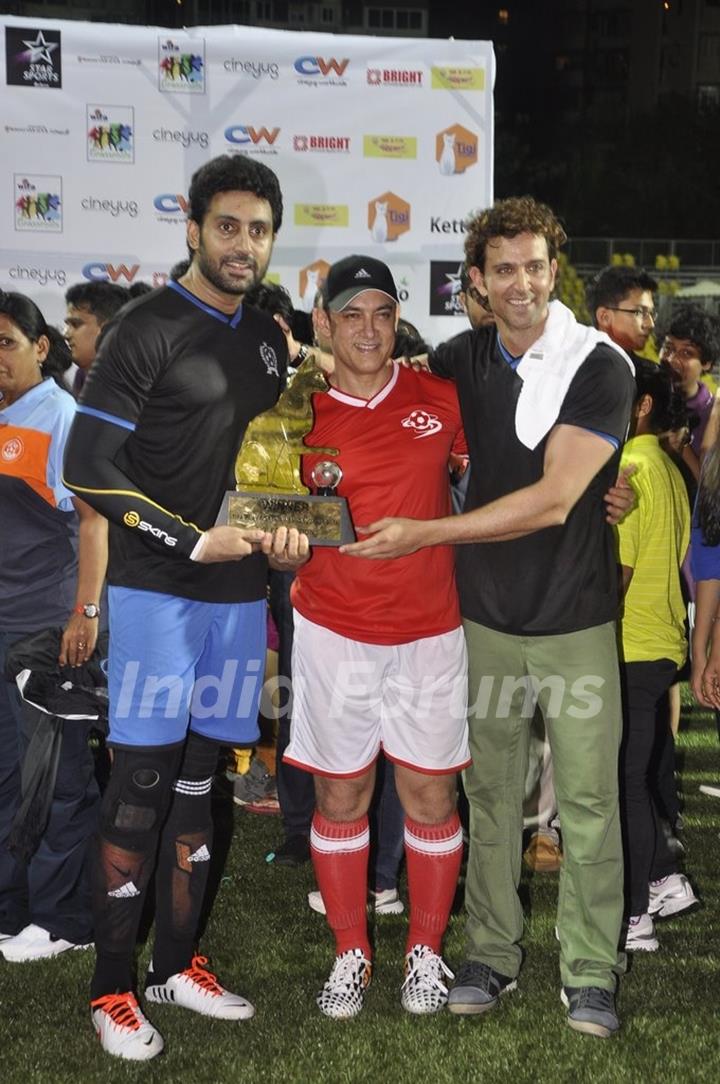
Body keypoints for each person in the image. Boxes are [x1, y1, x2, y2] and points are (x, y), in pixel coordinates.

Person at [343, 197, 635, 1039]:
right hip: (481, 621)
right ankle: (491, 955)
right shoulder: (457, 360)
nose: (520, 283)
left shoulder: (598, 365)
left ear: (554, 271)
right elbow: (390, 423)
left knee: (587, 802)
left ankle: (589, 971)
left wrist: (427, 532)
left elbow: (551, 501)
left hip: (575, 619)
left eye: (535, 266)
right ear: (476, 281)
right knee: (490, 795)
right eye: (502, 269)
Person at [62, 154, 308, 1062]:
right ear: (194, 228)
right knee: (141, 789)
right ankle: (111, 988)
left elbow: (277, 469)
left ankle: (175, 963)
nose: (244, 243)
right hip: (162, 589)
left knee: (204, 784)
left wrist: (288, 530)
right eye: (229, 226)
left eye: (259, 229)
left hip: (240, 598)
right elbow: (85, 466)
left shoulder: (267, 340)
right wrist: (186, 537)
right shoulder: (145, 329)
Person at [285, 254, 469, 1019]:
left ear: (399, 320)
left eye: (383, 314)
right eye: (351, 314)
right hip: (333, 628)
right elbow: (262, 511)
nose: (368, 330)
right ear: (324, 322)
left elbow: (499, 483)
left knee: (430, 793)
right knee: (343, 791)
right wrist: (286, 535)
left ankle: (424, 952)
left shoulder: (442, 398)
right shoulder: (291, 412)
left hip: (430, 627)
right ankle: (351, 953)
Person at [0, 290, 107, 961]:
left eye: (5, 343)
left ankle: (63, 916)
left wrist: (83, 613)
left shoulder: (62, 417)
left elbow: (95, 523)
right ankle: (12, 905)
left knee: (59, 777)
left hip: (47, 628)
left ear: (41, 348)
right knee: (8, 773)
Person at [615, 359, 698, 952]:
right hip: (660, 642)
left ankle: (636, 912)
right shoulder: (666, 467)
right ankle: (666, 879)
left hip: (630, 644)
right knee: (636, 774)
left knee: (623, 780)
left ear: (640, 404)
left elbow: (616, 572)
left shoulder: (631, 466)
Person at [63, 282, 132, 398]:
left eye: (75, 324)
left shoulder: (141, 392)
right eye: (67, 325)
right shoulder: (83, 377)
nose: (66, 334)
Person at [587, 265, 657, 359]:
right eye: (639, 312)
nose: (650, 324)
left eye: (651, 313)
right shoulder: (572, 368)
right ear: (604, 317)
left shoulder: (650, 372)